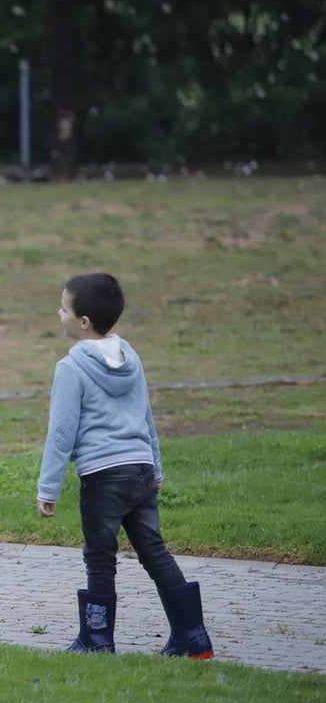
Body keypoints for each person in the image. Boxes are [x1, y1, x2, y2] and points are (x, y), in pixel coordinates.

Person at [36, 273, 213, 658]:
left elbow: (62, 434)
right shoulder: (130, 358)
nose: (59, 314)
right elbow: (146, 417)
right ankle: (193, 637)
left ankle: (97, 640)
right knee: (154, 551)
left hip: (103, 477)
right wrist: (156, 468)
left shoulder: (71, 367)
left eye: (64, 309)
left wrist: (48, 488)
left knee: (100, 558)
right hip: (140, 469)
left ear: (84, 322)